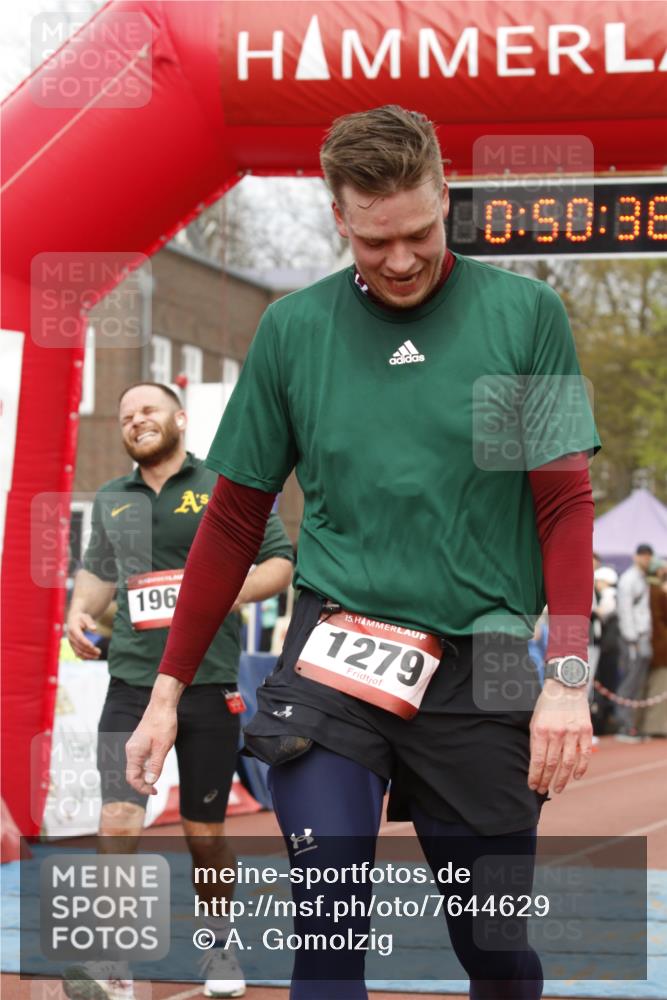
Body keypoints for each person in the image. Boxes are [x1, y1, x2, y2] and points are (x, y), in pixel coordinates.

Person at [126, 107, 599, 1000]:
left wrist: (567, 679)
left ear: (445, 198)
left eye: (419, 233)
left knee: (493, 949)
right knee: (329, 922)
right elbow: (232, 523)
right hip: (336, 658)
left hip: (484, 660)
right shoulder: (293, 330)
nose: (401, 260)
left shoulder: (522, 316)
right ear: (337, 216)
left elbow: (563, 505)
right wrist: (164, 691)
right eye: (374, 240)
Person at [65, 382, 294, 1000]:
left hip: (207, 682)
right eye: (126, 415)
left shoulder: (222, 484)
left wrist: (220, 592)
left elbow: (279, 563)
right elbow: (98, 575)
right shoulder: (112, 498)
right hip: (130, 682)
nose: (136, 420)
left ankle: (218, 944)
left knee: (203, 832)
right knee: (117, 820)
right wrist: (79, 611)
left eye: (148, 409)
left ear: (181, 418)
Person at [615, 543, 654, 742]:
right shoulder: (629, 579)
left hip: (643, 636)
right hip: (633, 638)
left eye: (649, 556)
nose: (646, 559)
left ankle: (631, 723)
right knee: (629, 682)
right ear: (636, 556)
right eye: (643, 555)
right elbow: (624, 610)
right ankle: (624, 724)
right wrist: (631, 639)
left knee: (637, 683)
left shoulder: (644, 578)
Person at [639, 559, 667, 737]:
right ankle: (654, 727)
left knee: (649, 687)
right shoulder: (657, 592)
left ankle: (645, 725)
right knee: (659, 686)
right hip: (660, 647)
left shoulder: (648, 589)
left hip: (651, 644)